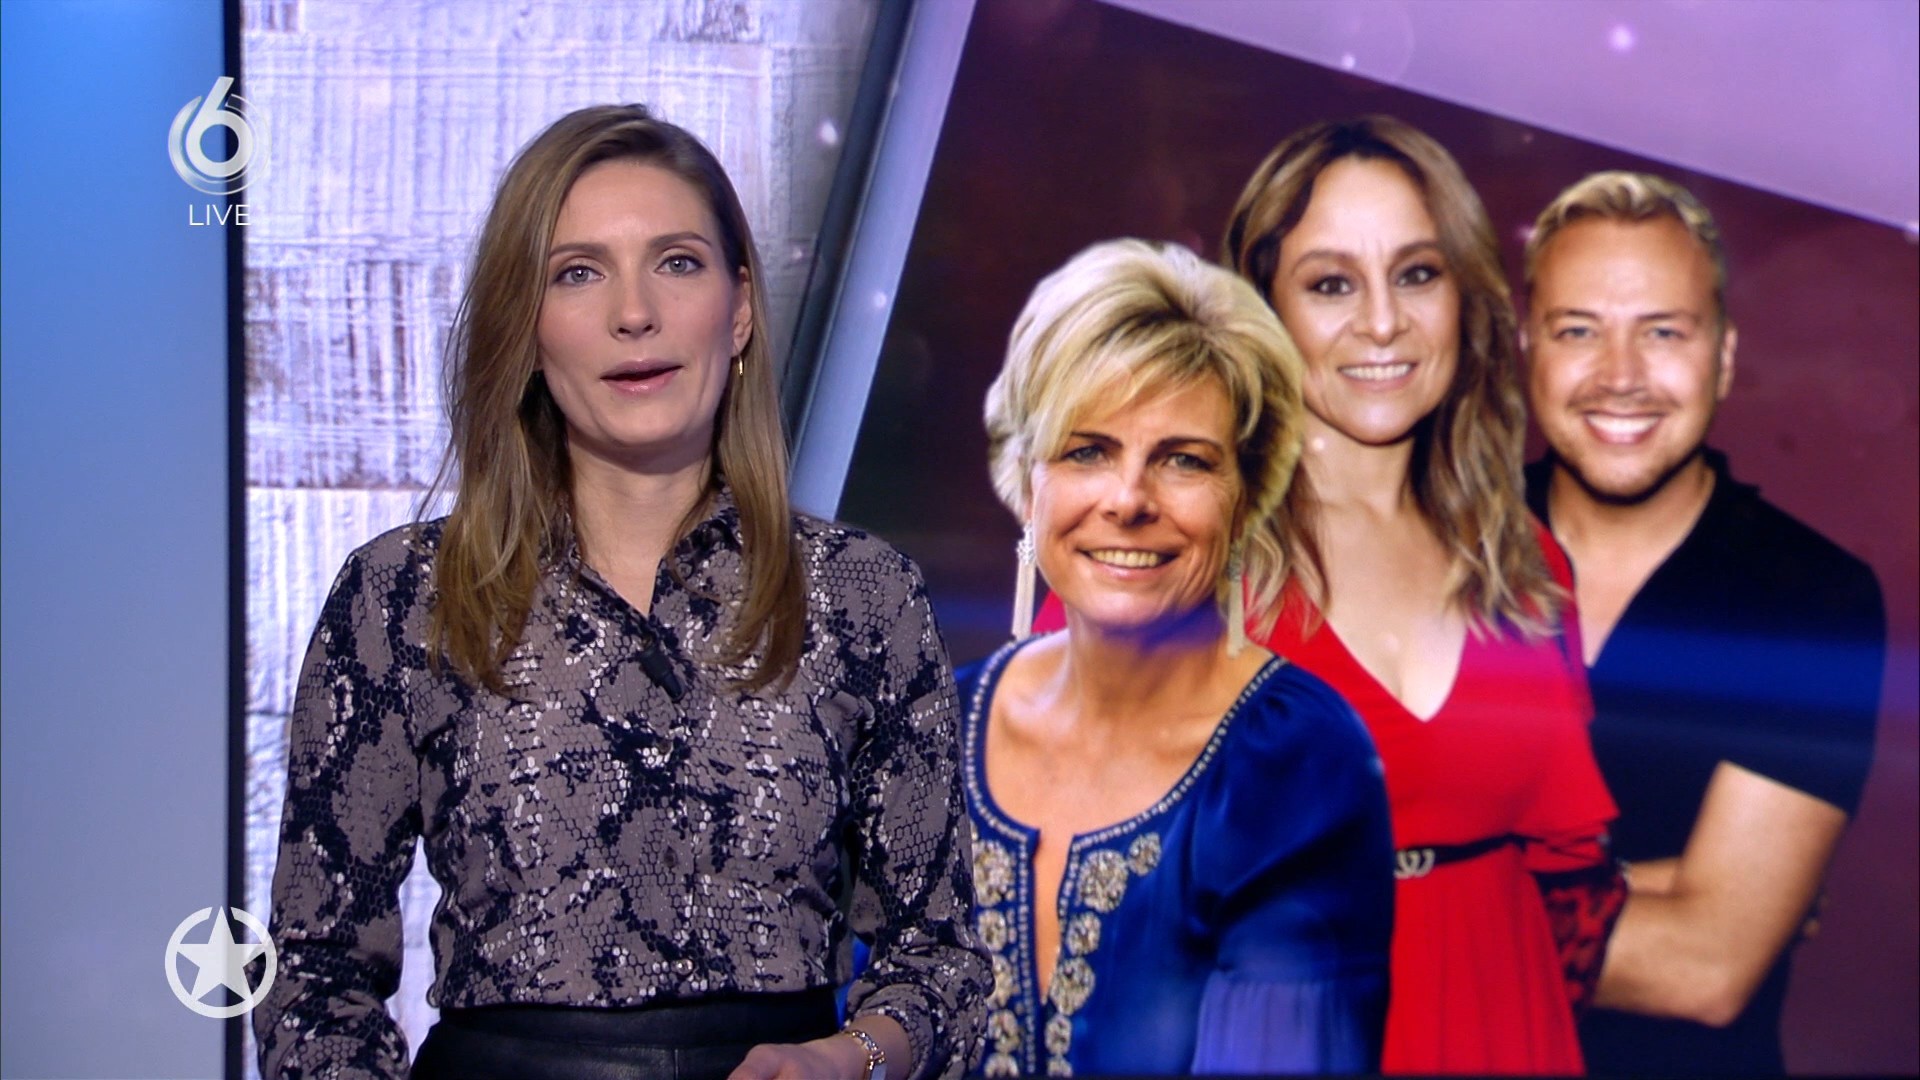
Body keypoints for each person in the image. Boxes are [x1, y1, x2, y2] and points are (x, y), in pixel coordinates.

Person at [254, 104, 989, 1080]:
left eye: (677, 262)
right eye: (579, 272)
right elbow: (312, 979)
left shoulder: (861, 593)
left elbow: (939, 968)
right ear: (526, 326)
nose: (633, 313)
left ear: (739, 308)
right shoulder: (404, 595)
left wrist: (848, 1059)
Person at [1219, 116, 1619, 1074]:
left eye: (1416, 273)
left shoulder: (1526, 568)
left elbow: (1573, 893)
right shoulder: (1187, 561)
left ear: (1464, 299)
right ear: (1261, 311)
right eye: (1330, 284)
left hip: (1507, 1025)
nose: (1382, 323)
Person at [968, 239, 1396, 1076]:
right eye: (1087, 450)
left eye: (1184, 461)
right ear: (1027, 480)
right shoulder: (935, 727)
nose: (1128, 499)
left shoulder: (1297, 763)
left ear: (1245, 497)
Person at [1520, 171, 1885, 1076]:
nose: (1619, 377)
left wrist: (1398, 894)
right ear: (1527, 349)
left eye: (1663, 332)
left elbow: (1706, 964)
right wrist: (1656, 886)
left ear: (1722, 357)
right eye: (1578, 330)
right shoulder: (1430, 546)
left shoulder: (1812, 601)